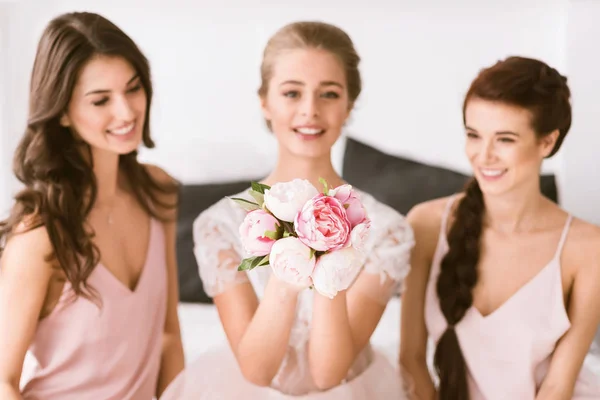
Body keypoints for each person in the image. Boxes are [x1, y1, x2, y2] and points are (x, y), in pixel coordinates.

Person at [161, 21, 414, 399]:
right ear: (265, 101)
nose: (310, 110)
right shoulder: (219, 225)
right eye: (292, 93)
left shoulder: (385, 229)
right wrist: (289, 262)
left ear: (349, 105)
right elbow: (257, 369)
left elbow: (328, 374)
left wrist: (331, 247)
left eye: (329, 94)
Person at [0, 12, 184, 400]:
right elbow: (2, 380)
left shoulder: (158, 191)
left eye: (133, 89)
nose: (127, 111)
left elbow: (168, 335)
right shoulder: (39, 235)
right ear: (62, 112)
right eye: (100, 100)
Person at [399, 56, 600, 400]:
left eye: (505, 139)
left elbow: (557, 386)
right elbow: (411, 359)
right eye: (474, 135)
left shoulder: (587, 247)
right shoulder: (427, 225)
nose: (484, 155)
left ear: (547, 142)